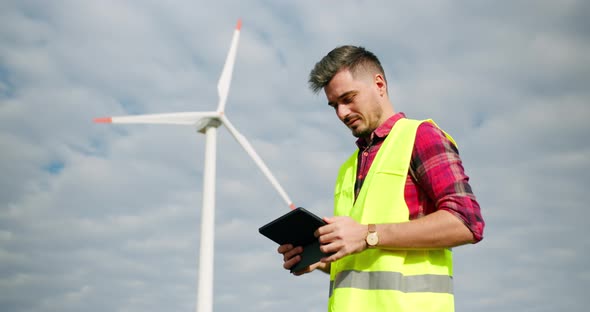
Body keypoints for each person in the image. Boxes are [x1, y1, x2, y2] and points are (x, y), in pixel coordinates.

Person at [278, 45, 485, 312]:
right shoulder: (347, 168)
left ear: (379, 84)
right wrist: (320, 259)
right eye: (334, 105)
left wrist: (366, 235)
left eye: (348, 98)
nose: (341, 113)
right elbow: (367, 258)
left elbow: (467, 222)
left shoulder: (420, 136)